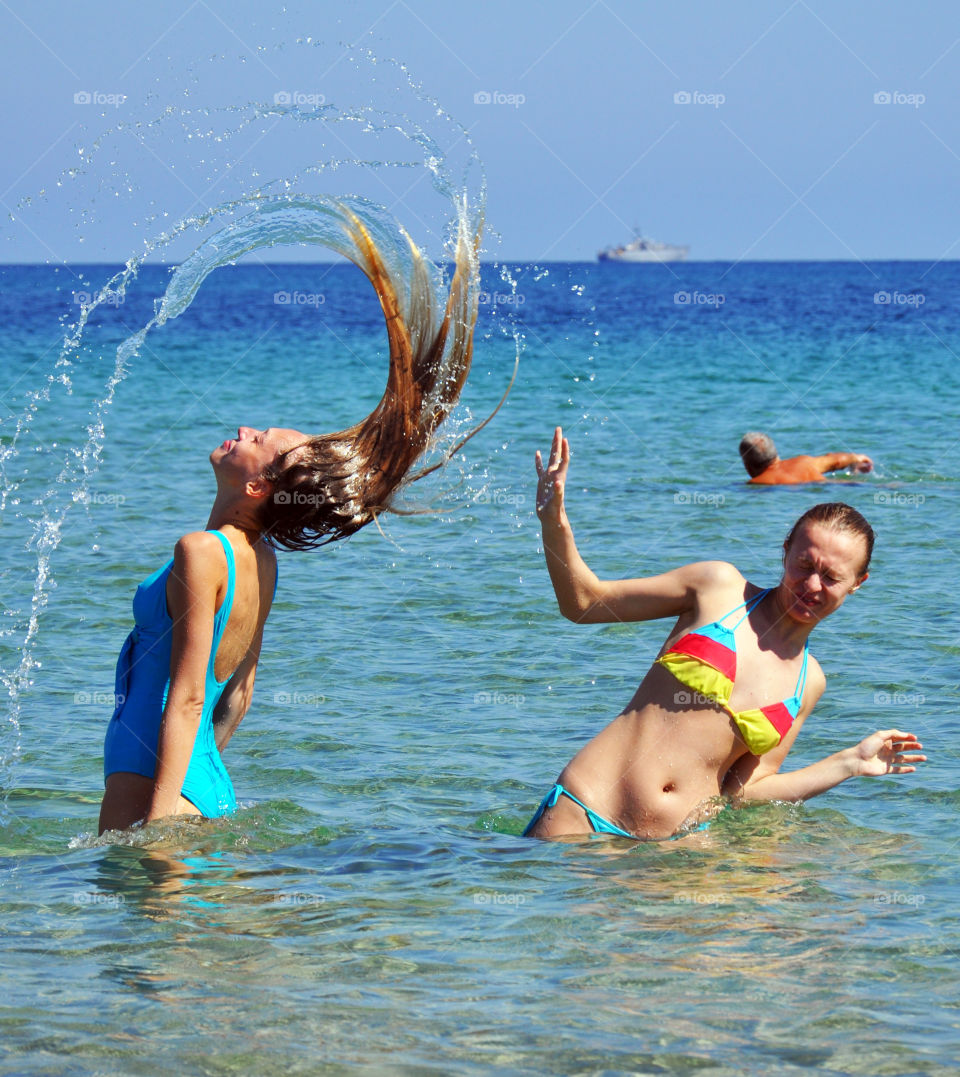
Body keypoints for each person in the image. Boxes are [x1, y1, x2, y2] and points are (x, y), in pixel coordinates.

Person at [98, 207, 489, 834]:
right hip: (200, 789)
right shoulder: (261, 562)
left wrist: (163, 827)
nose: (245, 429)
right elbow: (240, 698)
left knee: (143, 929)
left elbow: (195, 696)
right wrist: (197, 788)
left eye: (261, 439)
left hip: (164, 799)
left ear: (258, 485)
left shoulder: (201, 551)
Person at [523, 427, 925, 841]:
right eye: (805, 564)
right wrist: (555, 523)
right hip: (585, 809)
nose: (812, 585)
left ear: (858, 583)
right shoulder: (718, 588)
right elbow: (585, 604)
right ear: (785, 549)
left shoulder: (809, 683)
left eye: (831, 576)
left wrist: (849, 763)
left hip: (670, 849)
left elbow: (744, 792)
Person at [739, 431, 873, 485]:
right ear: (776, 453)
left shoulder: (757, 484)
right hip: (838, 486)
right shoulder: (804, 461)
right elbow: (836, 460)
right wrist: (857, 458)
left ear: (747, 465)